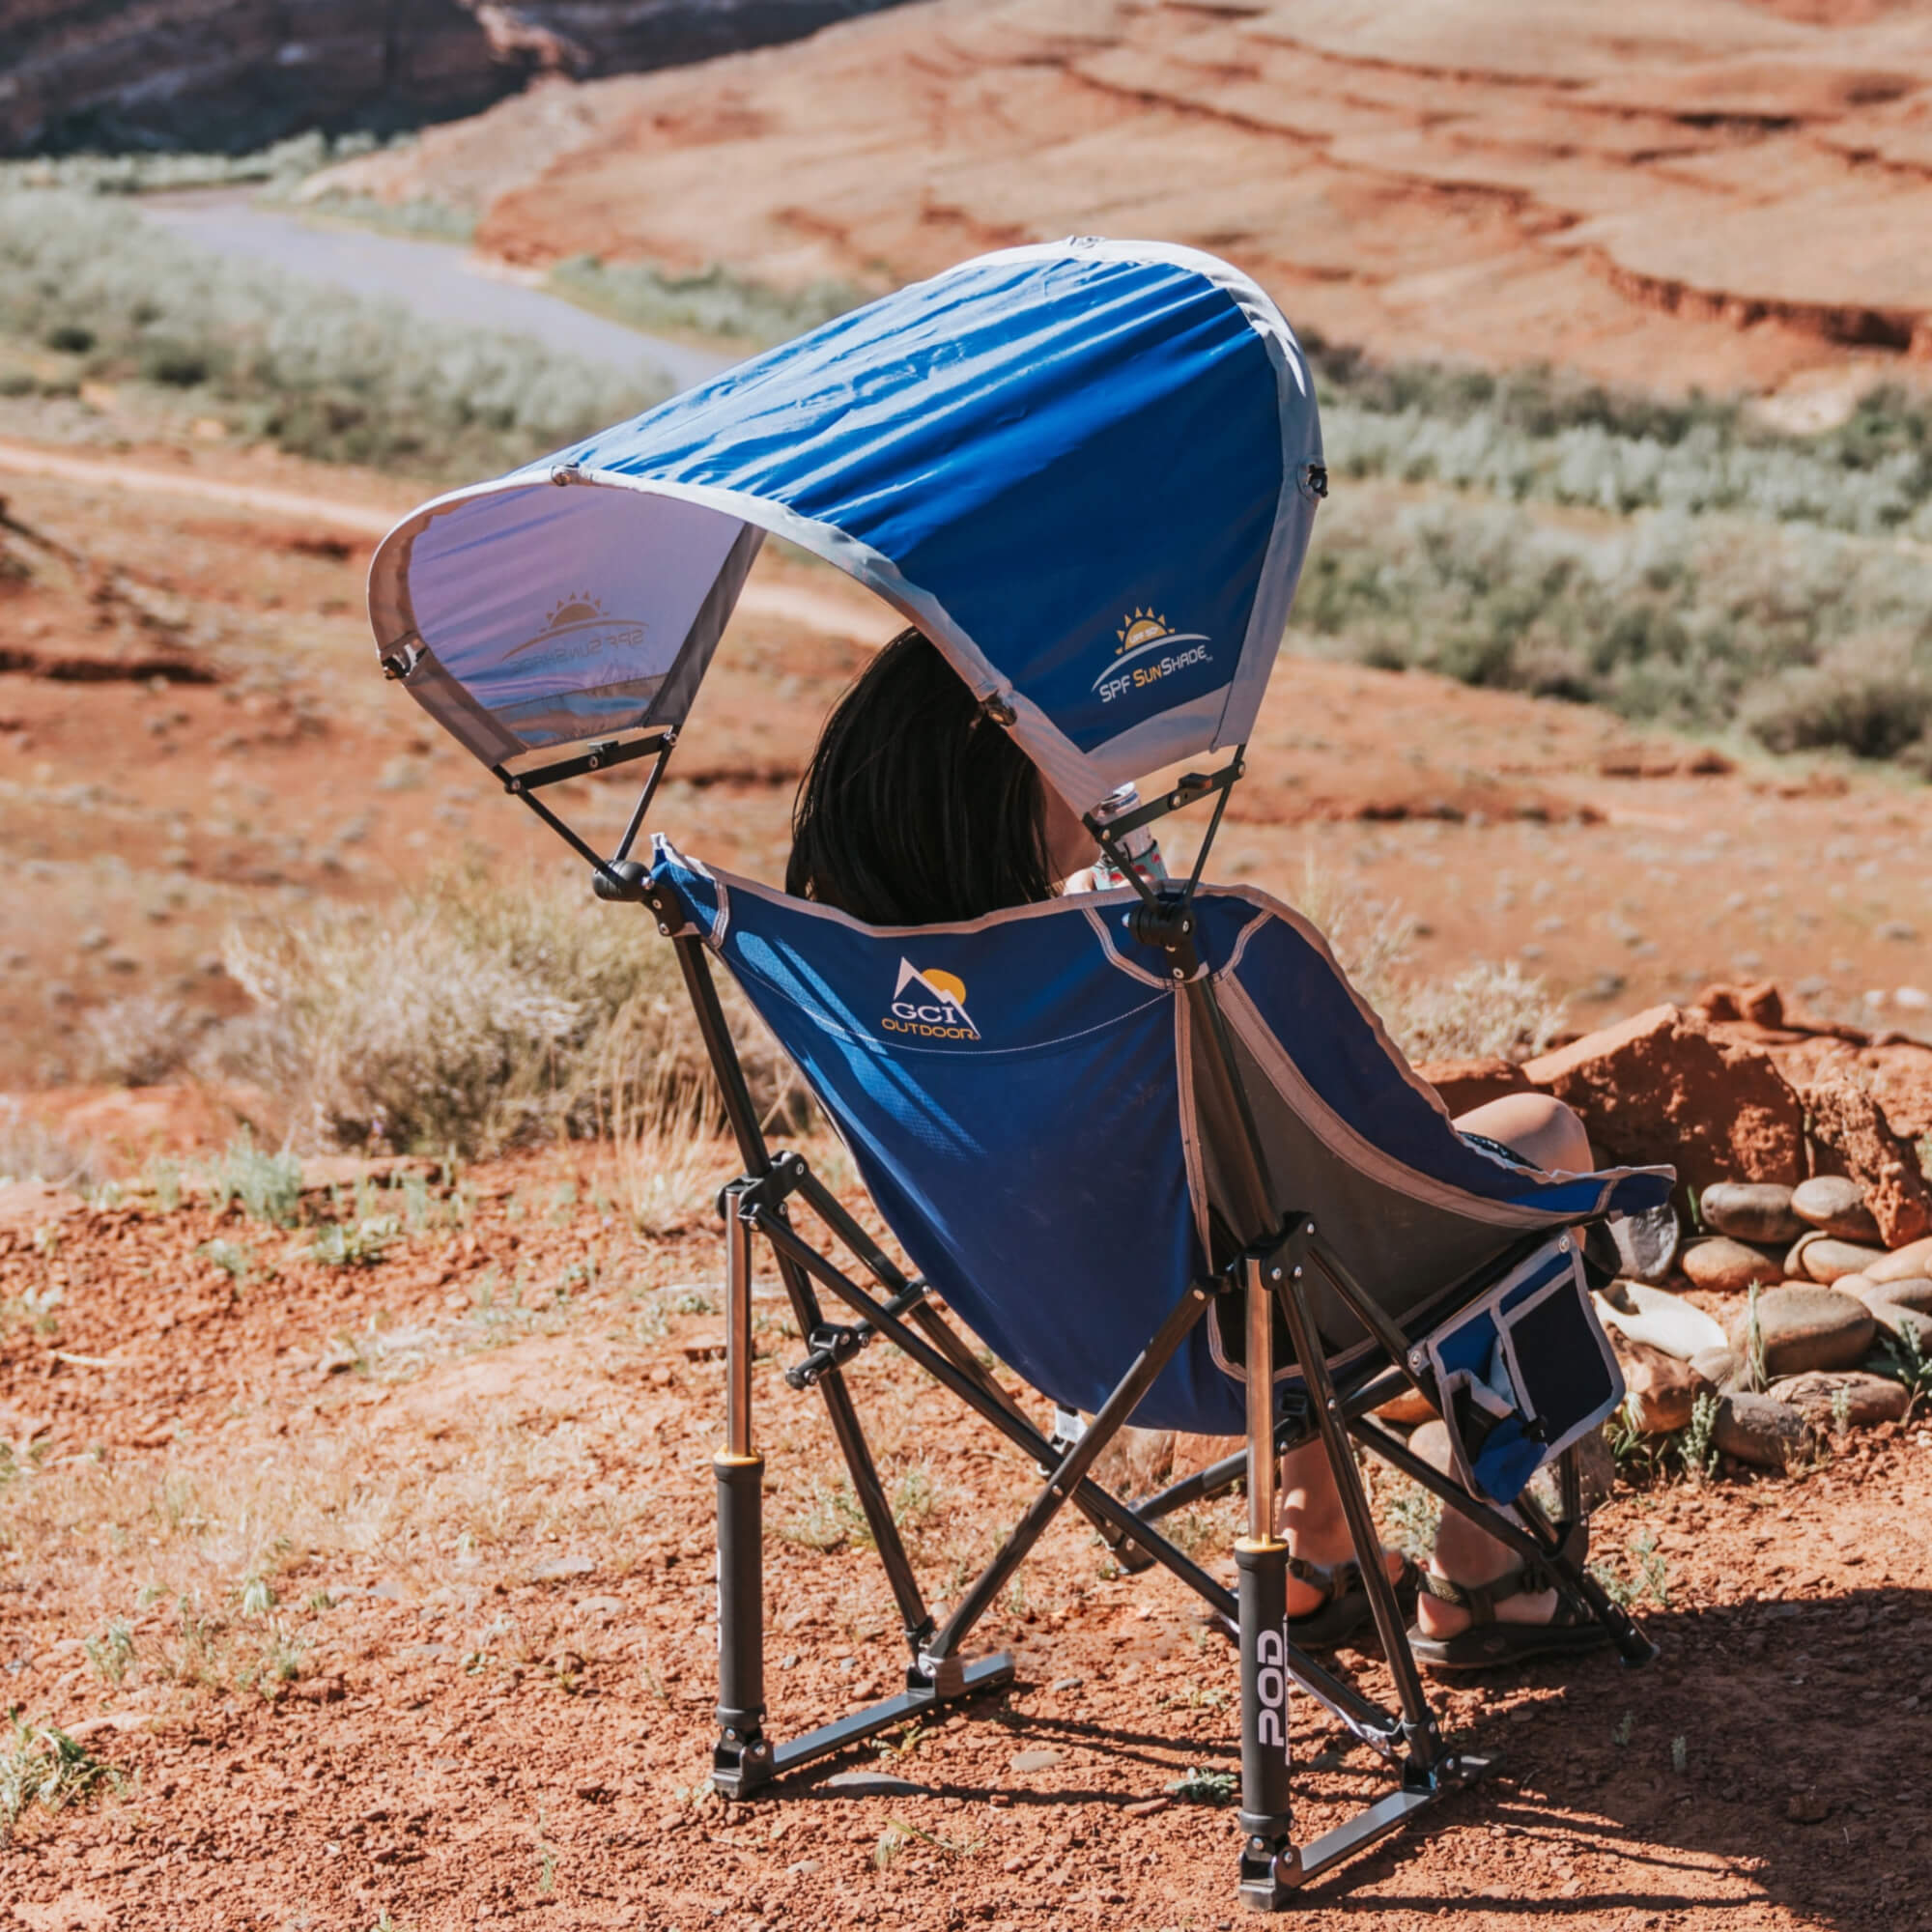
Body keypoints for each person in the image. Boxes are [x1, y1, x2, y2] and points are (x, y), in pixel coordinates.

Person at [788, 627, 1598, 1665]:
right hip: (1235, 1323)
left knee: (1254, 1212)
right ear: (990, 783)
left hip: (1071, 1337)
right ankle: (1485, 1574)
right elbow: (1372, 1131)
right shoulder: (1127, 970)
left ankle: (1312, 1548)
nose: (1096, 767)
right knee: (1536, 1133)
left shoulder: (860, 985)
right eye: (1059, 747)